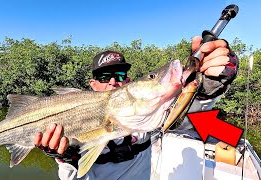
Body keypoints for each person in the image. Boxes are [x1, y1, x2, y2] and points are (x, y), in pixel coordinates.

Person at [33, 36, 238, 179]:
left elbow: (190, 116)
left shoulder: (150, 116)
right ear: (92, 85)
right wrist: (65, 157)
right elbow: (72, 177)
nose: (113, 82)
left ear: (129, 82)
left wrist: (210, 86)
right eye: (104, 77)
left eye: (120, 76)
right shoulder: (74, 116)